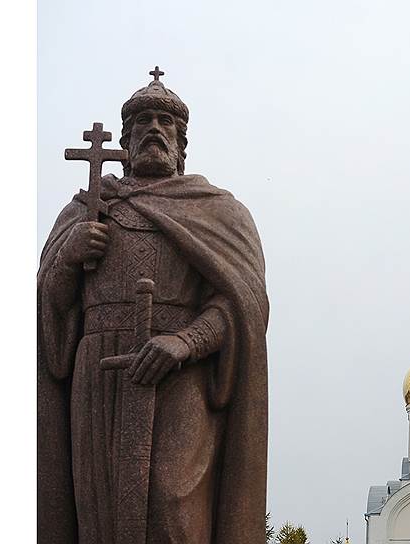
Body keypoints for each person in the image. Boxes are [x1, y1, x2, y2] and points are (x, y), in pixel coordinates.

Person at [38, 68, 269, 543]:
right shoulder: (86, 210)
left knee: (171, 503)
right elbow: (49, 310)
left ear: (182, 144)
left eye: (166, 122)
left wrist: (184, 342)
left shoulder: (217, 211)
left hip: (179, 374)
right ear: (124, 140)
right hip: (100, 374)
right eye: (143, 121)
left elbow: (242, 304)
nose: (154, 130)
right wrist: (67, 258)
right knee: (97, 509)